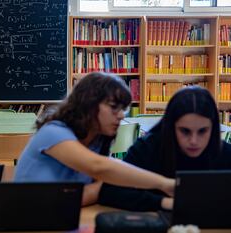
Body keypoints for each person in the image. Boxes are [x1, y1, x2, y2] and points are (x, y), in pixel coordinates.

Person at [14, 72, 174, 206]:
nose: (121, 115)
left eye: (123, 110)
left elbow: (92, 193)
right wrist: (163, 183)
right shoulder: (53, 132)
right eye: (113, 107)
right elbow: (99, 169)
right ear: (88, 104)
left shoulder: (96, 142)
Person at [98, 86, 231, 211]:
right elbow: (110, 191)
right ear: (171, 127)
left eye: (203, 131)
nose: (193, 141)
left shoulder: (225, 153)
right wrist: (163, 202)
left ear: (213, 129)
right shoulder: (147, 147)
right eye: (185, 131)